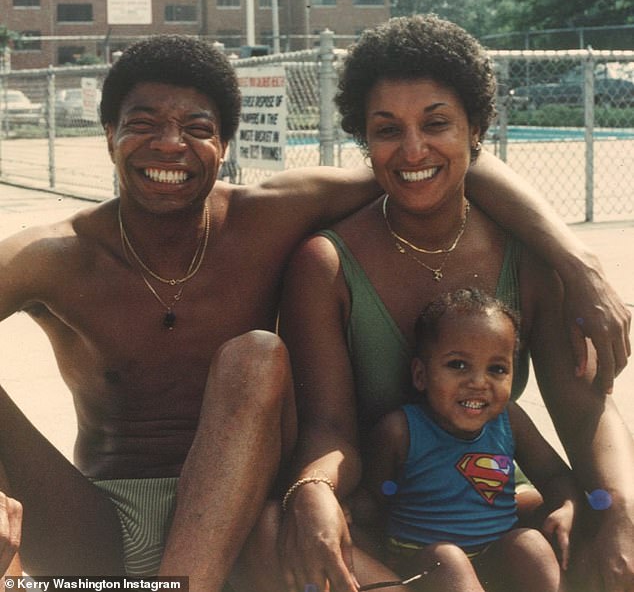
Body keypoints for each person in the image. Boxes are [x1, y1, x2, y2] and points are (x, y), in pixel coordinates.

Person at [0, 33, 629, 591]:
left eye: (196, 126)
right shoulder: (55, 255)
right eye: (142, 123)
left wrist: (577, 263)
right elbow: (426, 156)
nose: (170, 145)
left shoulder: (263, 216)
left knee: (256, 355)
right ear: (108, 133)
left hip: (243, 510)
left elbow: (445, 167)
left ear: (224, 142)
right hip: (100, 521)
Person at [242, 15, 634, 592]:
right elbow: (328, 428)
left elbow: (584, 406)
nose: (413, 149)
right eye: (387, 129)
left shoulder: (526, 257)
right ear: (364, 139)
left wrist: (616, 508)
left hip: (492, 510)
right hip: (383, 517)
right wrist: (315, 491)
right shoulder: (326, 264)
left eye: (437, 124)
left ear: (476, 130)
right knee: (281, 534)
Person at [363, 287, 578, 592]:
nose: (478, 382)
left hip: (492, 555)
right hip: (424, 564)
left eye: (497, 369)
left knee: (530, 543)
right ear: (421, 375)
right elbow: (372, 501)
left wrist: (566, 505)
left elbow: (553, 474)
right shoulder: (400, 430)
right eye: (458, 364)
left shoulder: (509, 421)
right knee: (449, 559)